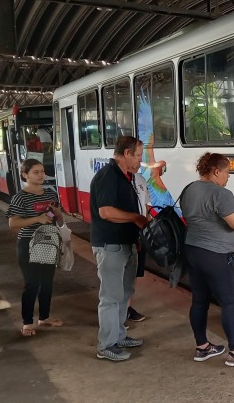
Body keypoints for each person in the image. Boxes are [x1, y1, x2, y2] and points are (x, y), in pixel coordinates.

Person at [181, 152, 234, 367]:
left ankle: (203, 347)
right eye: (227, 173)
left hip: (193, 251)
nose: (228, 177)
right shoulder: (220, 193)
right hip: (216, 255)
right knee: (229, 303)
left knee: (199, 301)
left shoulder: (190, 189)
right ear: (216, 171)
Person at [90, 135, 147, 362]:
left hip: (125, 244)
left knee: (124, 294)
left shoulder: (126, 177)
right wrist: (135, 218)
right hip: (110, 245)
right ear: (126, 153)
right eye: (138, 156)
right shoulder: (108, 176)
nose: (140, 160)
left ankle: (119, 335)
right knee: (110, 297)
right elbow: (106, 212)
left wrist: (135, 238)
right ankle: (106, 345)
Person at [6, 159, 64, 337]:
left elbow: (58, 220)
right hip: (28, 244)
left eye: (42, 171)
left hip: (48, 242)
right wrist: (37, 219)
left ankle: (44, 317)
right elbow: (13, 223)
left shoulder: (51, 193)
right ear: (25, 175)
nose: (41, 175)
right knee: (32, 283)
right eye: (36, 172)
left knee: (47, 282)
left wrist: (57, 213)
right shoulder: (20, 197)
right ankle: (27, 322)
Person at [127, 166, 152, 323]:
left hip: (139, 233)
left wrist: (146, 225)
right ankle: (119, 312)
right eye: (137, 156)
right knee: (122, 274)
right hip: (125, 234)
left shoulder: (140, 179)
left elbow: (146, 205)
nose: (139, 160)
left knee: (134, 273)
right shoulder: (118, 180)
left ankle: (128, 308)